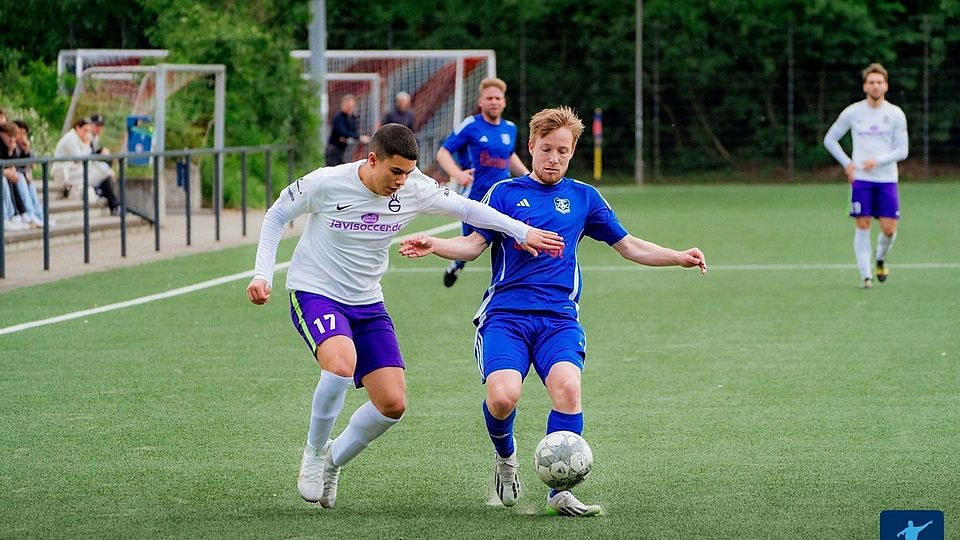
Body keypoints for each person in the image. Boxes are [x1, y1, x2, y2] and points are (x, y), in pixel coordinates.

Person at [400, 107, 707, 517]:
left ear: (572, 151)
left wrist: (678, 257)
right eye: (546, 149)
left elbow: (629, 244)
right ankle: (505, 458)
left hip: (558, 320)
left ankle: (559, 493)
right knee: (504, 397)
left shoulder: (584, 198)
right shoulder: (505, 194)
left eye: (562, 151)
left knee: (568, 389)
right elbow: (473, 246)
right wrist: (436, 246)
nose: (553, 158)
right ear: (530, 147)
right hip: (505, 318)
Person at [246, 123, 564, 509]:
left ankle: (332, 461)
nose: (402, 181)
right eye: (395, 171)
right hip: (316, 290)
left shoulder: (414, 186)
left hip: (368, 301)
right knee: (341, 365)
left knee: (393, 405)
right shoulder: (326, 182)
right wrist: (262, 274)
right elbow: (276, 215)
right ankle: (313, 454)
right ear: (372, 159)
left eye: (409, 172)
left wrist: (521, 231)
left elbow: (469, 208)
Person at [435, 77, 529, 287]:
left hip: (504, 198)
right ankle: (456, 266)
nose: (494, 102)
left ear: (504, 102)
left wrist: (529, 177)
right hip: (475, 197)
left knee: (512, 240)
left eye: (498, 98)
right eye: (490, 98)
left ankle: (510, 283)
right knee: (470, 248)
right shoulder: (471, 125)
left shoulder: (510, 128)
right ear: (481, 102)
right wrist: (457, 174)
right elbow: (443, 153)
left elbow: (509, 156)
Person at [824, 63, 908, 289]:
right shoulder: (853, 112)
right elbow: (830, 139)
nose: (875, 86)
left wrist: (878, 161)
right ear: (864, 86)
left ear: (886, 86)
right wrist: (848, 164)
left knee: (889, 229)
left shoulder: (895, 114)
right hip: (861, 179)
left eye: (879, 82)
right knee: (863, 223)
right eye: (871, 82)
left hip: (887, 179)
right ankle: (866, 275)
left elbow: (903, 151)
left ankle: (880, 258)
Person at [52, 117, 120, 214]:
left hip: (75, 170)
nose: (87, 133)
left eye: (88, 131)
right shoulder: (70, 139)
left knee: (105, 172)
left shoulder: (80, 138)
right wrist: (87, 144)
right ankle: (111, 202)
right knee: (104, 174)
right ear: (77, 128)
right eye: (85, 130)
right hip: (65, 172)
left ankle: (112, 202)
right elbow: (81, 158)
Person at [326, 94, 370, 167]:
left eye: (352, 106)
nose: (350, 108)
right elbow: (342, 132)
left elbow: (352, 131)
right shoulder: (339, 117)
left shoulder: (351, 117)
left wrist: (354, 137)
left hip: (342, 150)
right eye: (348, 106)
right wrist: (358, 137)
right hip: (334, 149)